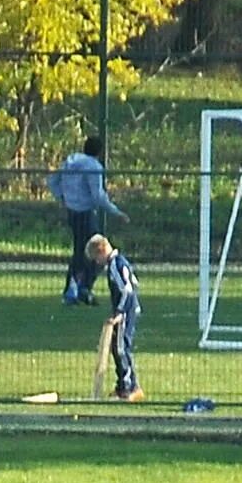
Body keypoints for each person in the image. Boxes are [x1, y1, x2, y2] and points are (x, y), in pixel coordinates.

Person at [47, 133, 124, 303]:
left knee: (79, 252)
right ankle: (82, 288)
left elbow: (52, 181)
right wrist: (115, 211)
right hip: (86, 213)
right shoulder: (94, 166)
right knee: (100, 250)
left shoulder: (70, 161)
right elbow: (97, 196)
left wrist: (62, 197)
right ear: (99, 152)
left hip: (72, 212)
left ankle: (73, 289)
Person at [86, 234, 144, 402]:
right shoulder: (120, 262)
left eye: (96, 258)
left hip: (125, 312)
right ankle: (124, 385)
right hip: (128, 309)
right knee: (117, 347)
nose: (97, 262)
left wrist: (119, 312)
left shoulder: (114, 265)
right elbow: (134, 282)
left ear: (101, 251)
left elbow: (127, 290)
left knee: (121, 348)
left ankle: (129, 388)